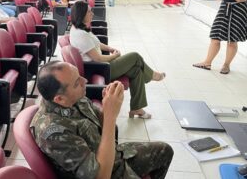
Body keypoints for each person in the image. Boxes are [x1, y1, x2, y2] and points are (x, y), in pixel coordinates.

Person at [31, 61, 174, 179]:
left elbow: (101, 125)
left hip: (112, 156)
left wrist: (108, 104)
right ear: (59, 99)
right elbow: (101, 176)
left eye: (80, 76)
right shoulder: (52, 131)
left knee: (165, 151)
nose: (85, 81)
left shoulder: (73, 97)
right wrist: (111, 116)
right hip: (105, 171)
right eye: (77, 83)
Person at [70, 0, 165, 118]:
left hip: (102, 65)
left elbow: (96, 43)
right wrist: (114, 55)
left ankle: (137, 108)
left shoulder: (81, 29)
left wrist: (110, 48)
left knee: (136, 70)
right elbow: (99, 58)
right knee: (135, 57)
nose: (92, 14)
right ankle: (152, 75)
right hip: (101, 69)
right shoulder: (81, 35)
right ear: (81, 14)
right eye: (89, 12)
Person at [193, 0, 247, 74]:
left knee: (232, 40)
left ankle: (226, 65)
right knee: (215, 36)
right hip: (224, 9)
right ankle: (207, 62)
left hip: (238, 11)